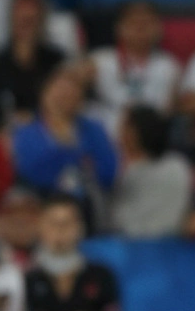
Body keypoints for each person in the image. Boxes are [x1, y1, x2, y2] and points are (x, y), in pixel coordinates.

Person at [12, 65, 117, 218]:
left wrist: (61, 154)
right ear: (44, 95)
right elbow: (35, 173)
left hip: (89, 207)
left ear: (80, 99)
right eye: (58, 93)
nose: (63, 99)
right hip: (42, 204)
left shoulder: (94, 130)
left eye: (70, 94)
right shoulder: (26, 131)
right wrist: (78, 156)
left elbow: (108, 172)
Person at [84, 0, 181, 138]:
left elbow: (170, 111)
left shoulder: (169, 65)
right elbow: (66, 85)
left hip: (151, 136)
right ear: (118, 28)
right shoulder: (99, 60)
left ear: (159, 29)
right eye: (133, 23)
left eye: (146, 23)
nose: (140, 28)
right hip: (106, 134)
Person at [0, 0, 67, 131]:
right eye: (23, 21)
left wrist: (35, 118)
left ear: (41, 22)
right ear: (12, 20)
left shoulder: (56, 62)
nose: (27, 28)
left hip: (50, 133)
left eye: (31, 21)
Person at [110, 106, 192, 238]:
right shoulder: (179, 164)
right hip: (165, 245)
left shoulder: (125, 171)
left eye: (124, 126)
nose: (118, 131)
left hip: (133, 244)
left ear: (133, 133)